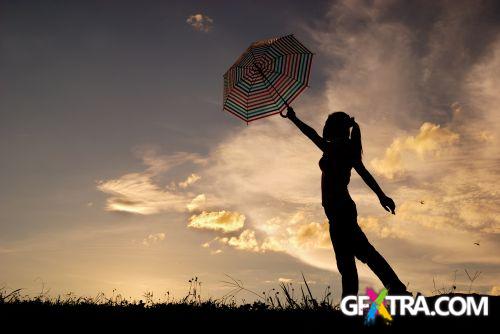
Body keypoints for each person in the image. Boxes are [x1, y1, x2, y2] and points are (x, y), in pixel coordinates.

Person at [285, 106, 408, 298]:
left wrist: (294, 119)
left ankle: (390, 289)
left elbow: (312, 135)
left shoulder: (338, 147)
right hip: (338, 209)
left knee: (352, 257)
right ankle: (390, 289)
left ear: (334, 128)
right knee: (356, 255)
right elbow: (365, 174)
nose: (324, 126)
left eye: (327, 124)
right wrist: (381, 196)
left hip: (340, 209)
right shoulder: (346, 147)